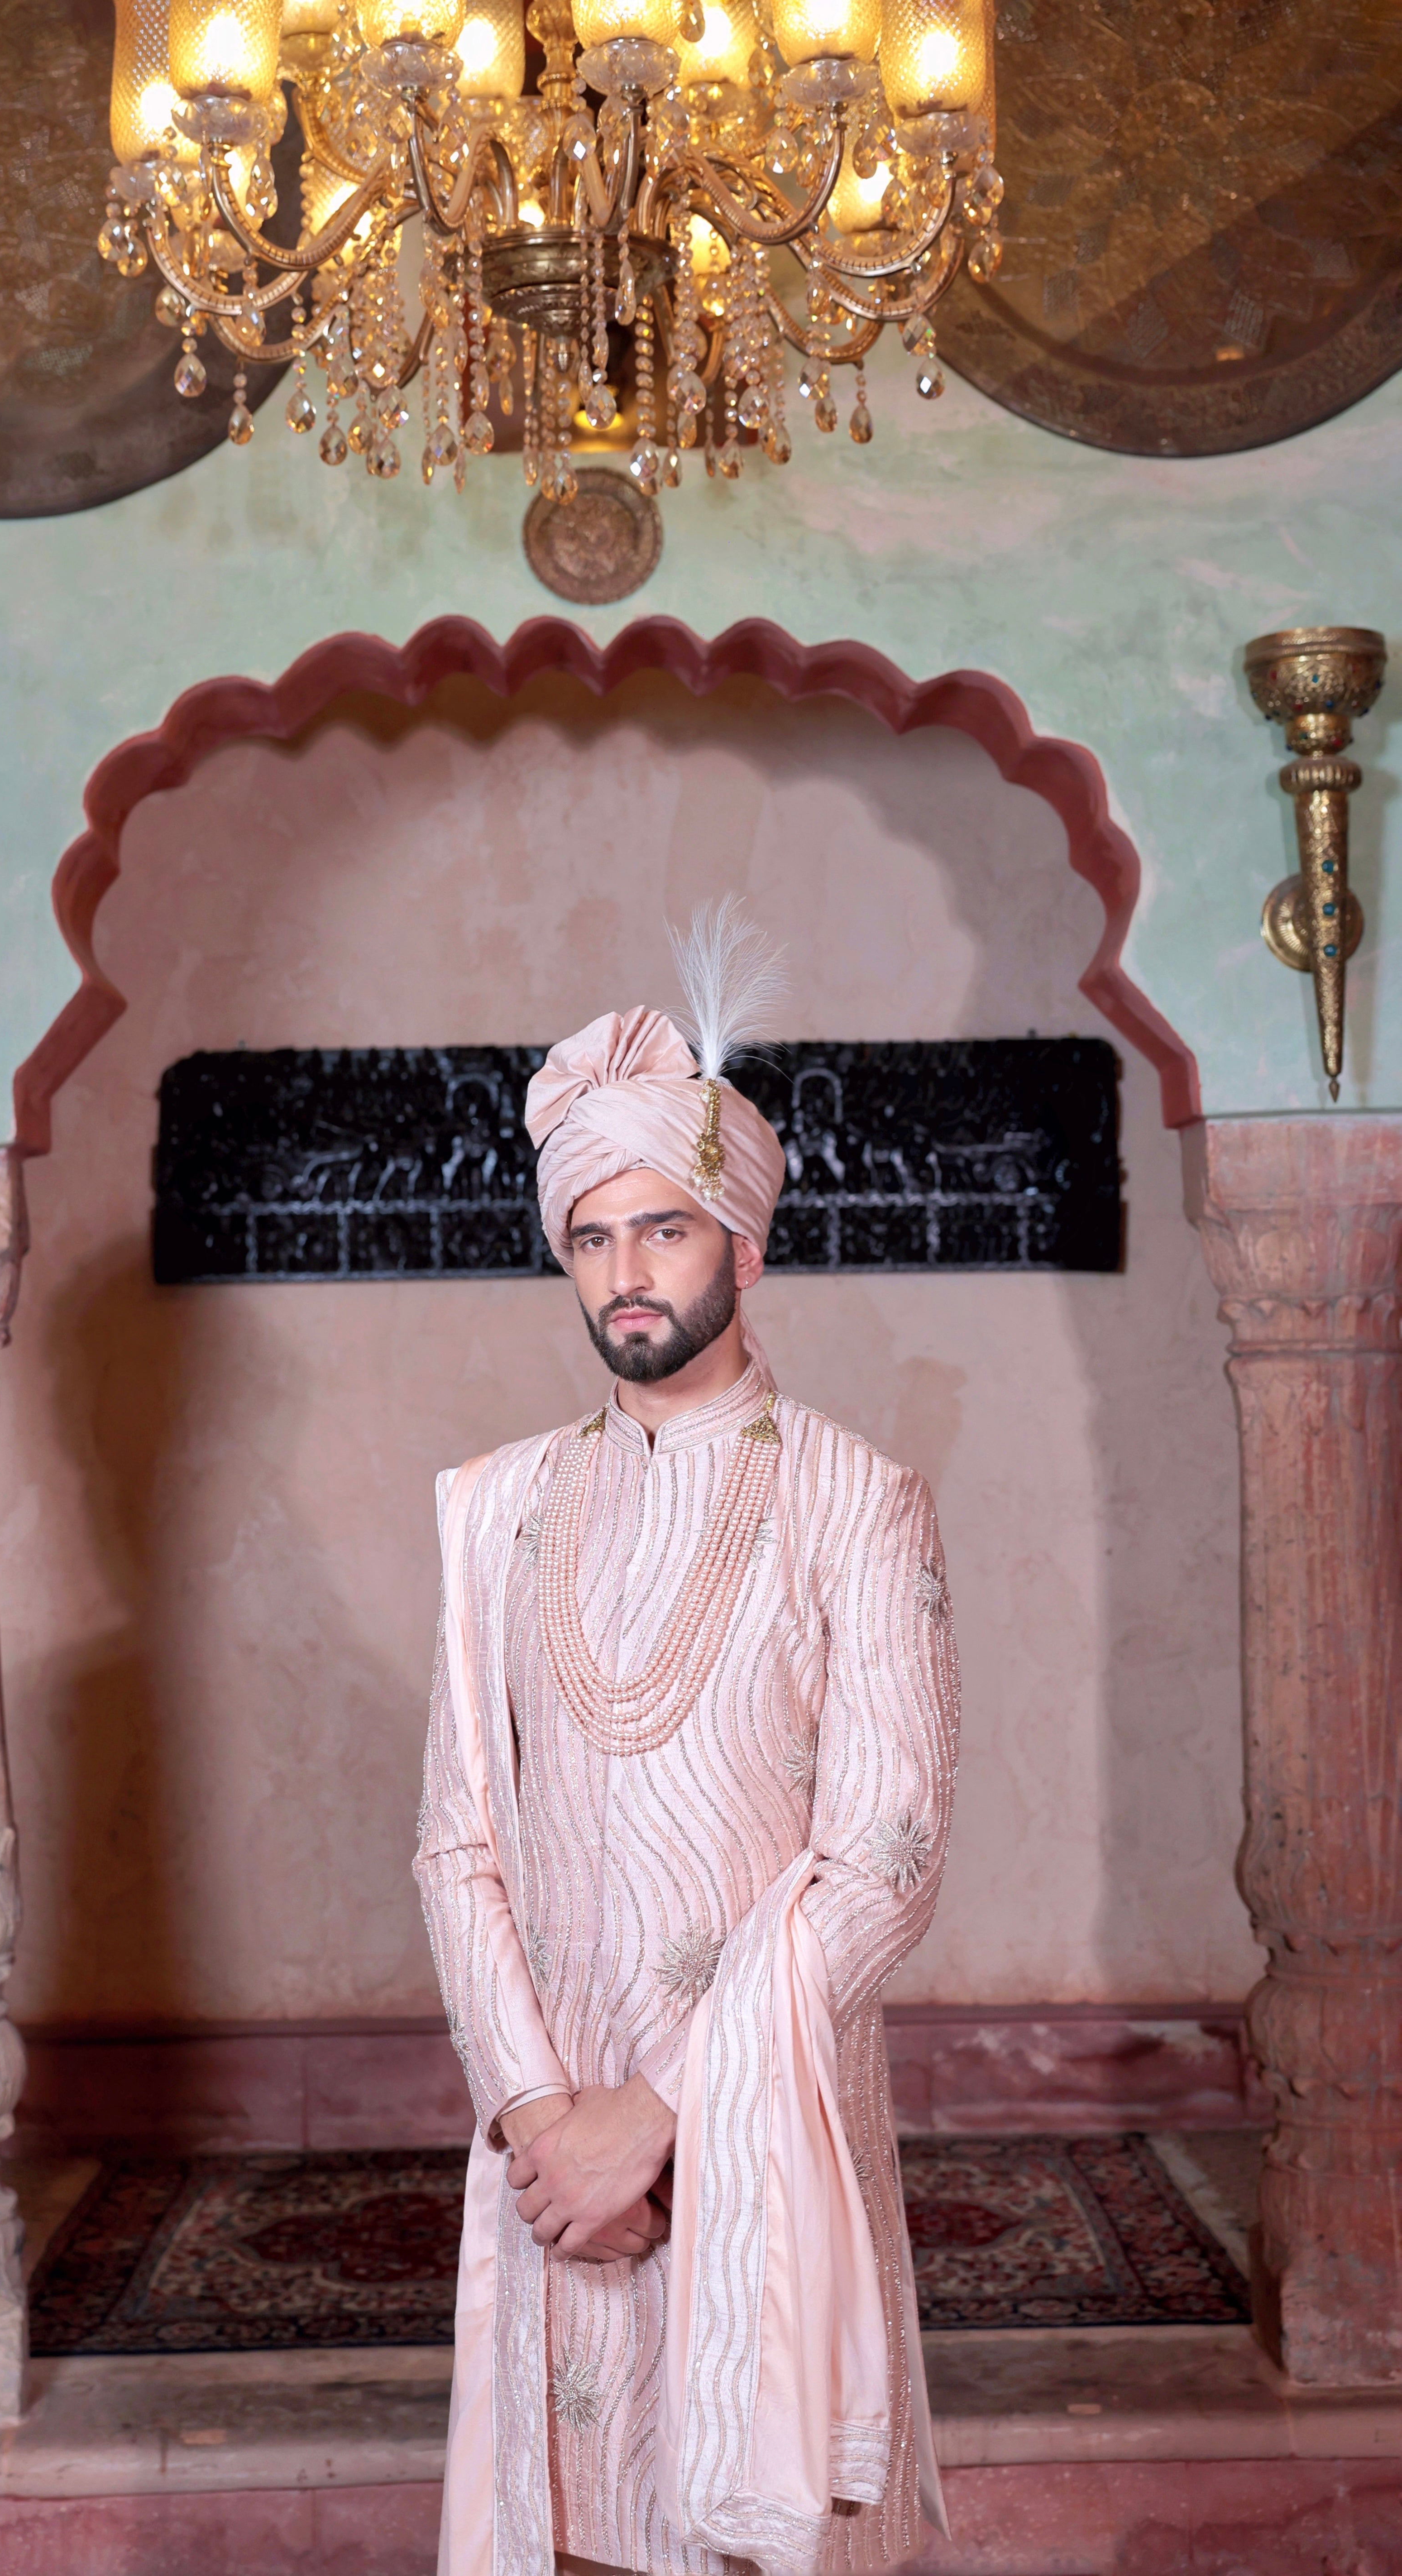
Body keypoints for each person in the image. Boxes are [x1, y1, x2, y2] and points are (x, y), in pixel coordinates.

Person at [415, 908, 959, 2576]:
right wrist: (537, 2125)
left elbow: (885, 1856)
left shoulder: (856, 1497)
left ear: (743, 1238)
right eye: (590, 1237)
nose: (626, 1271)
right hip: (556, 2172)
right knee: (572, 2527)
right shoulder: (493, 1505)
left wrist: (652, 2114)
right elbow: (457, 1839)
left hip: (752, 2141)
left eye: (663, 1227)